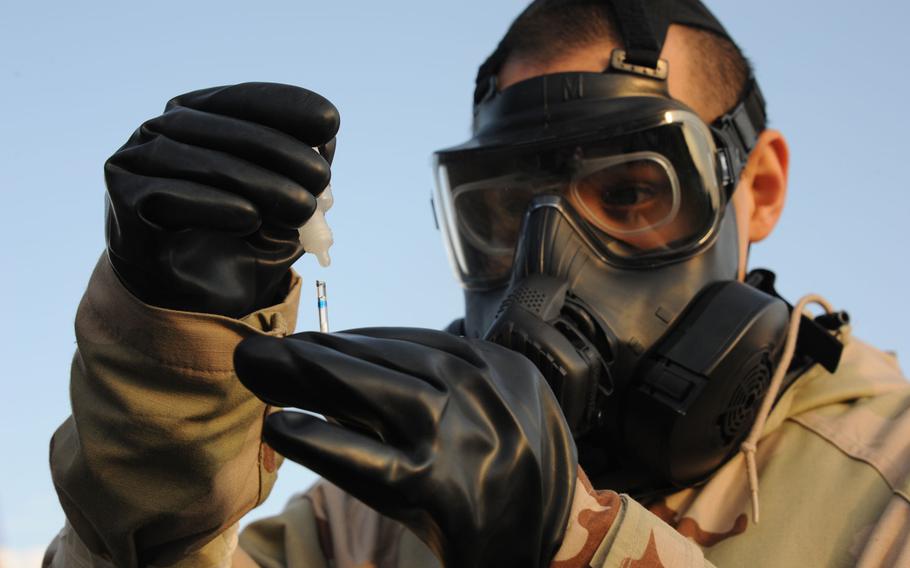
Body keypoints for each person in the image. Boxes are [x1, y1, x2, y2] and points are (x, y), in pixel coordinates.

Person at [44, 0, 910, 567]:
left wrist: (577, 545)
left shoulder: (891, 491)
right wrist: (167, 376)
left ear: (755, 189)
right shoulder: (370, 525)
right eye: (500, 212)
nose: (548, 263)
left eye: (630, 193)